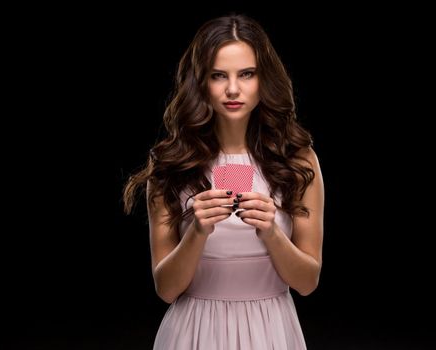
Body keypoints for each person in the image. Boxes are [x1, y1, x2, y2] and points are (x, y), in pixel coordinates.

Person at [123, 13, 324, 350]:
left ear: (265, 80)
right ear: (201, 82)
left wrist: (271, 232)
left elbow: (307, 282)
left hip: (271, 331)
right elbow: (167, 289)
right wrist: (198, 232)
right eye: (218, 75)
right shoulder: (170, 164)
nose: (233, 89)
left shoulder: (298, 161)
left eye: (247, 74)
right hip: (193, 332)